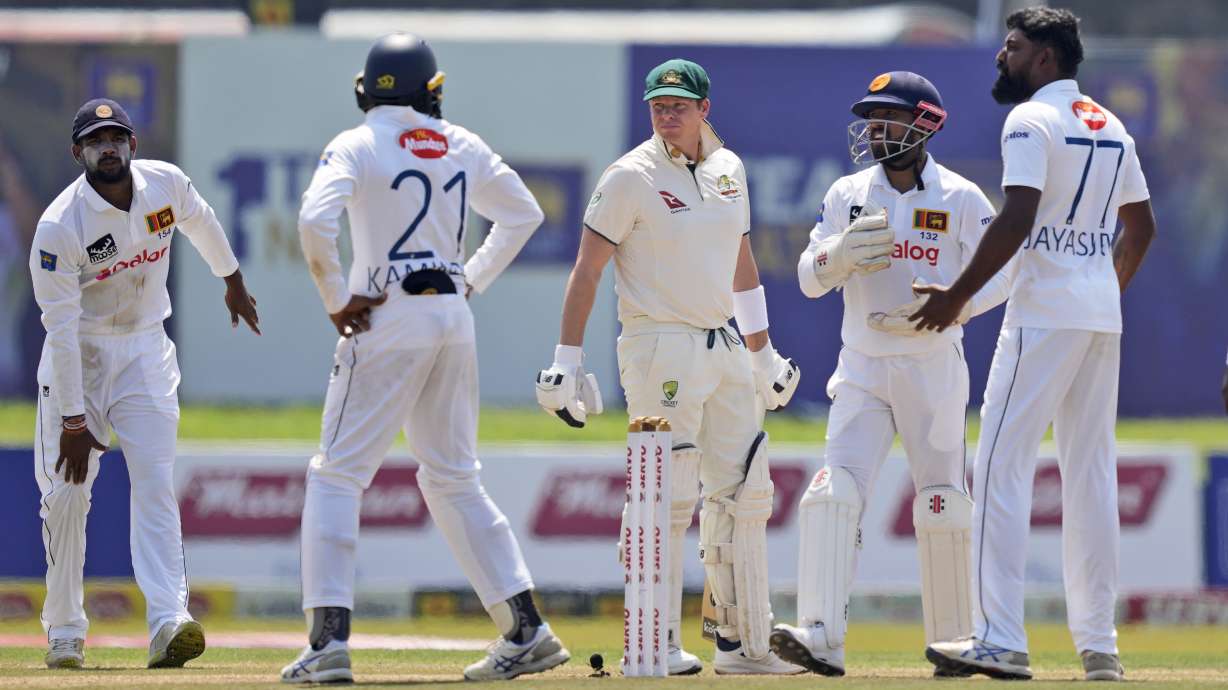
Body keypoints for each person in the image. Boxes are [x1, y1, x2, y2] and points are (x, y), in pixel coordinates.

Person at [283, 33, 568, 684]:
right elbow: (522, 215)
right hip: (450, 315)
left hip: (385, 311)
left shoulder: (356, 142)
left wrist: (335, 297)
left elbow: (312, 221)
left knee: (335, 476)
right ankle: (527, 629)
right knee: (453, 478)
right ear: (431, 90)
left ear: (367, 89)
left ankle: (328, 642)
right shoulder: (461, 143)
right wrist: (469, 278)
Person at [535, 58, 802, 676]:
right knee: (667, 490)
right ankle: (648, 643)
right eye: (658, 104)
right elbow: (588, 270)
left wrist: (762, 354)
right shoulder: (630, 176)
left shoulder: (730, 170)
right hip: (659, 343)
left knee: (744, 491)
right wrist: (564, 364)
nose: (668, 113)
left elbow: (743, 267)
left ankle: (742, 644)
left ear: (705, 108)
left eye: (679, 103)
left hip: (724, 342)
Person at [914, 7, 1155, 682]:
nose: (1002, 56)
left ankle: (1000, 638)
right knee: (1090, 476)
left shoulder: (1029, 120)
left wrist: (955, 297)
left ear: (1045, 58)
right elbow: (1141, 229)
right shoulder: (1112, 126)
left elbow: (1017, 216)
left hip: (1045, 314)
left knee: (998, 468)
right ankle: (1099, 647)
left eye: (1013, 47)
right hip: (1098, 316)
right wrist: (1098, 289)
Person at [769, 71, 1010, 678]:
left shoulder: (960, 198)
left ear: (924, 123)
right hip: (862, 365)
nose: (875, 129)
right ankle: (822, 637)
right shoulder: (847, 192)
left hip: (932, 365)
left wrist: (956, 300)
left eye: (888, 117)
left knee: (942, 503)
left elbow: (1004, 274)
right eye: (871, 118)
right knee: (833, 493)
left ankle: (955, 643)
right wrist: (839, 254)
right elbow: (807, 276)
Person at [29, 98, 260, 669]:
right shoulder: (60, 226)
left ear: (132, 144)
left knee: (155, 482)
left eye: (116, 137)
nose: (107, 148)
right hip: (77, 356)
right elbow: (59, 329)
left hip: (145, 351)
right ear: (77, 153)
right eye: (95, 140)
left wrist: (231, 278)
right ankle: (64, 630)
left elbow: (202, 221)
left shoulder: (166, 185)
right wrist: (75, 420)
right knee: (67, 497)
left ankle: (167, 621)